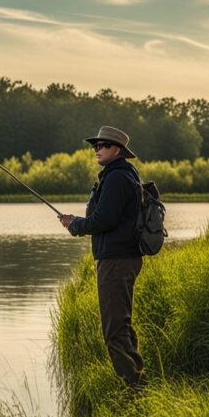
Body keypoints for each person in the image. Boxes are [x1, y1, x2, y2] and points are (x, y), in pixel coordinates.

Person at [59, 126, 145, 390]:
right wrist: (78, 221)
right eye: (95, 145)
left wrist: (76, 225)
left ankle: (135, 386)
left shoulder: (117, 177)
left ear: (116, 149)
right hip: (122, 258)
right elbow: (101, 217)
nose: (96, 149)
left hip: (117, 260)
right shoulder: (120, 175)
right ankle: (137, 374)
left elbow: (103, 220)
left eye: (102, 145)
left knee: (113, 330)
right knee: (121, 323)